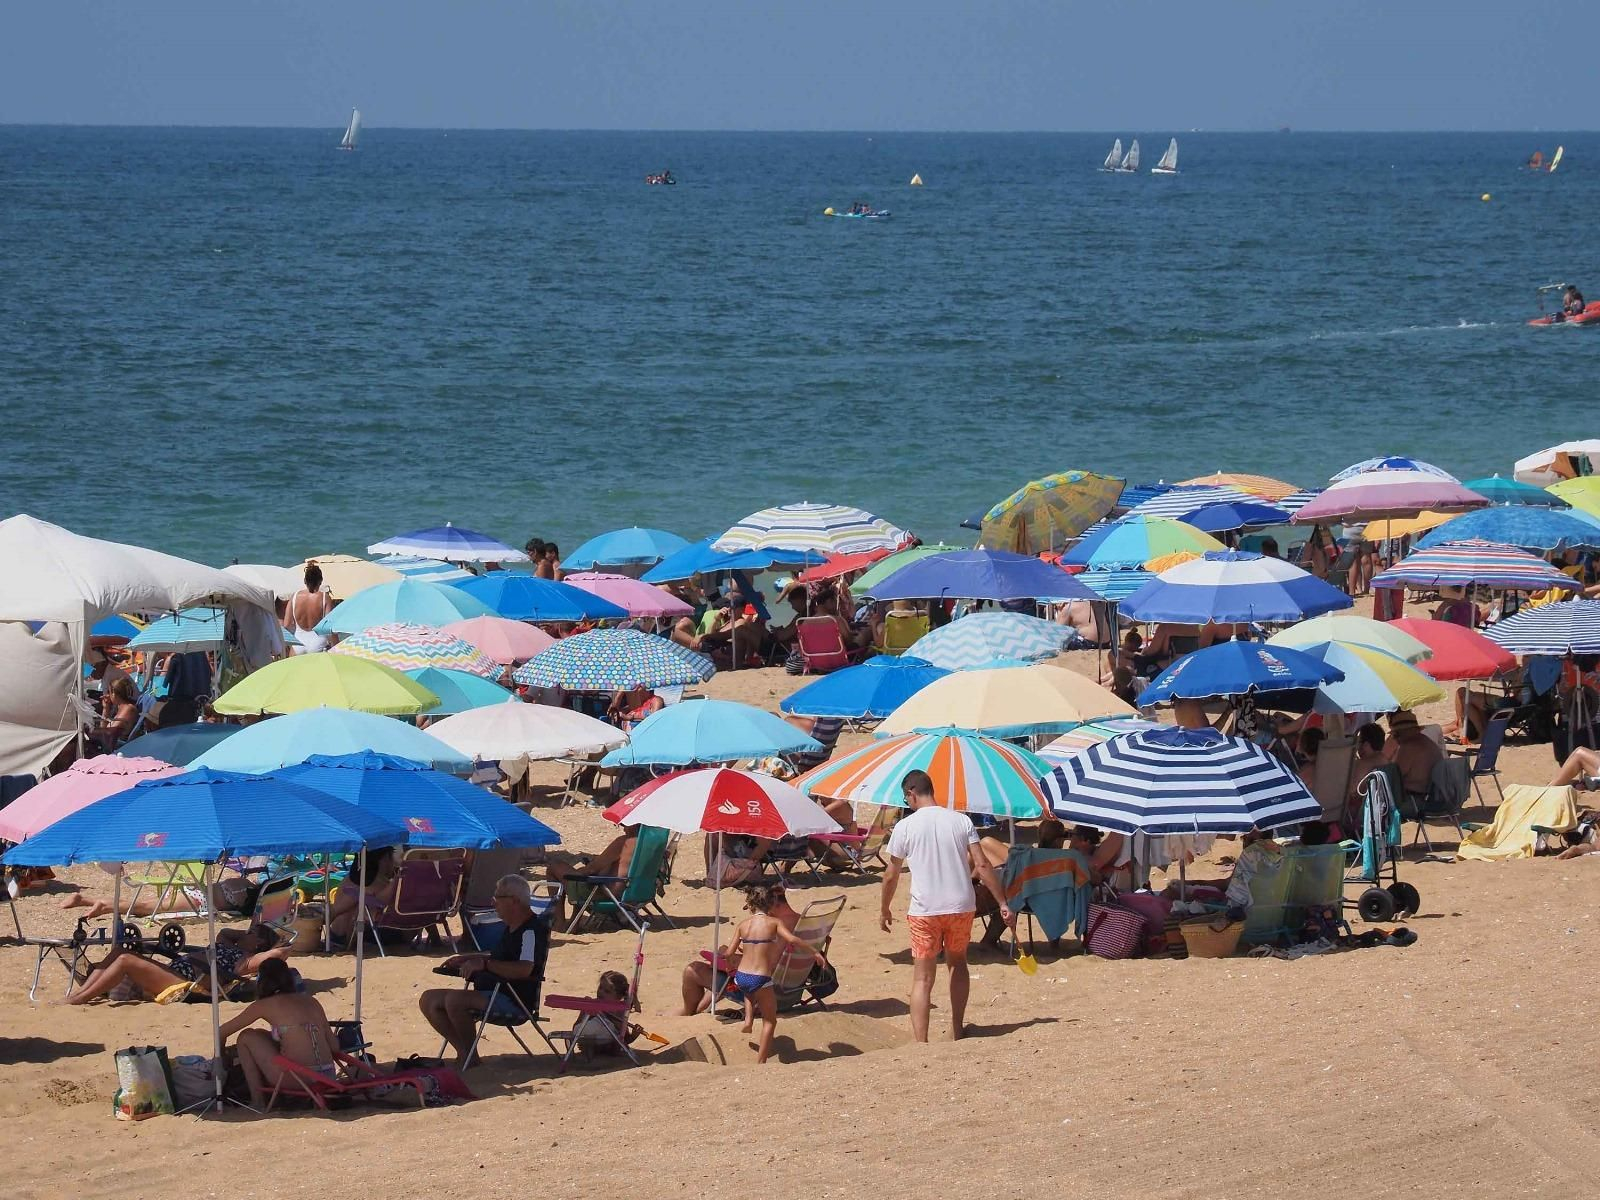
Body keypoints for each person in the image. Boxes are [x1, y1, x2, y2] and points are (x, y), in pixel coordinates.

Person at [880, 769, 1012, 1042]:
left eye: (906, 799)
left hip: (925, 908)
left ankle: (921, 1041)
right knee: (957, 964)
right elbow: (983, 864)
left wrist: (884, 908)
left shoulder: (905, 827)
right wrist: (1001, 902)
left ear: (911, 794)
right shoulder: (960, 821)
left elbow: (891, 875)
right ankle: (956, 1028)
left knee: (922, 978)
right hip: (961, 904)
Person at [418, 874, 549, 1067]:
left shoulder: (530, 930)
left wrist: (484, 965)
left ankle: (470, 1055)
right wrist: (468, 959)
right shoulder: (512, 927)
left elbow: (524, 969)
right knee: (428, 999)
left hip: (514, 999)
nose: (493, 903)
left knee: (455, 1001)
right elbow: (501, 959)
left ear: (514, 901)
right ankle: (464, 1051)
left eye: (497, 899)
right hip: (493, 991)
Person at [727, 883, 829, 1064]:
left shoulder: (743, 925)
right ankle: (761, 1063)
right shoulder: (774, 922)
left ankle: (748, 1020)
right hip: (761, 977)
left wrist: (726, 962)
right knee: (770, 1021)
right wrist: (814, 952)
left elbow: (728, 953)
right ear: (770, 904)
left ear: (750, 905)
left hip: (741, 976)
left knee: (749, 989)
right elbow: (793, 939)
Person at [221, 957, 343, 1107]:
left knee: (246, 1037)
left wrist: (221, 1058)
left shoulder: (264, 1005)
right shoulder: (312, 1001)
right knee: (259, 1034)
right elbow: (334, 1047)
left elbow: (222, 1031)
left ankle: (258, 1101)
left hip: (298, 1079)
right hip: (328, 1075)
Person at [65, 924, 286, 1005]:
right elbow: (225, 932)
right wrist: (246, 935)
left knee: (125, 960)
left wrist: (277, 941)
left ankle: (79, 999)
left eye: (251, 932)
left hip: (187, 984)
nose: (245, 932)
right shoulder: (229, 946)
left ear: (258, 943)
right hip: (176, 971)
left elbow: (279, 953)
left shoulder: (246, 961)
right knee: (119, 951)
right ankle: (82, 991)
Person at [679, 884, 801, 1015]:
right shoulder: (802, 922)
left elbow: (766, 966)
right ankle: (696, 1011)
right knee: (718, 972)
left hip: (761, 991)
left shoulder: (777, 925)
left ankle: (688, 1014)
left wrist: (727, 956)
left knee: (692, 970)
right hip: (792, 991)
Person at [566, 970, 642, 1060]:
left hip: (606, 1041)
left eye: (607, 991)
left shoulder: (619, 1011)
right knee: (588, 1026)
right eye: (600, 987)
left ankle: (594, 1049)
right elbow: (575, 1026)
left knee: (611, 1029)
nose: (601, 992)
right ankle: (591, 1048)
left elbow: (624, 1039)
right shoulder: (591, 1003)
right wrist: (586, 1011)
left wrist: (634, 1035)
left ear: (618, 997)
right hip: (585, 1033)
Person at [1383, 709, 1442, 799]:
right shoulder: (1426, 741)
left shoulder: (1408, 747)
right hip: (1432, 796)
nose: (1395, 739)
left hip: (1416, 800)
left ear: (1404, 731)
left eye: (1396, 735)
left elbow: (1393, 776)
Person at [284, 562, 334, 654]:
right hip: (318, 643)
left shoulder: (294, 597)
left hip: (298, 644)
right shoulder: (324, 598)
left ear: (305, 581)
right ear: (321, 580)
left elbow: (286, 625)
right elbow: (329, 627)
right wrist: (336, 646)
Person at [92, 677, 140, 750]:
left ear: (113, 694)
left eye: (109, 692)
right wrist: (106, 708)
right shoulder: (121, 707)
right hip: (111, 740)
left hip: (117, 745)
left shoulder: (128, 709)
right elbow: (105, 729)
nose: (107, 695)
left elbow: (108, 732)